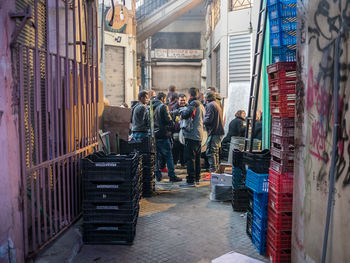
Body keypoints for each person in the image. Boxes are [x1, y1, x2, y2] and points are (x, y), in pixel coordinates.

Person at [153, 92, 182, 183]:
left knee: (156, 157)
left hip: (154, 135)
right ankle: (172, 176)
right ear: (162, 98)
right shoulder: (163, 106)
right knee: (169, 156)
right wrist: (172, 125)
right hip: (163, 134)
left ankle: (158, 175)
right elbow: (168, 120)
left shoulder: (150, 106)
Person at [180, 87, 205, 187]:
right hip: (199, 134)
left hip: (192, 135)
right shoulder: (201, 105)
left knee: (190, 158)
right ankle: (197, 178)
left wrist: (181, 114)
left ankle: (190, 180)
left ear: (189, 94)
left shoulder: (194, 104)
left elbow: (187, 114)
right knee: (197, 158)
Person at [203, 91, 225, 173]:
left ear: (208, 98)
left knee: (211, 152)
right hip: (218, 131)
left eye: (205, 97)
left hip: (214, 132)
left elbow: (209, 119)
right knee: (215, 152)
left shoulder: (210, 105)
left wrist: (202, 120)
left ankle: (213, 172)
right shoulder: (216, 104)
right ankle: (216, 171)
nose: (204, 99)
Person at [170, 94, 187, 167]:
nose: (182, 102)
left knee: (183, 148)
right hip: (176, 131)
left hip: (185, 131)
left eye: (184, 100)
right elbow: (171, 119)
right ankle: (175, 162)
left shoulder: (188, 108)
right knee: (175, 148)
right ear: (178, 100)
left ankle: (183, 163)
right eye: (181, 100)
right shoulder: (174, 108)